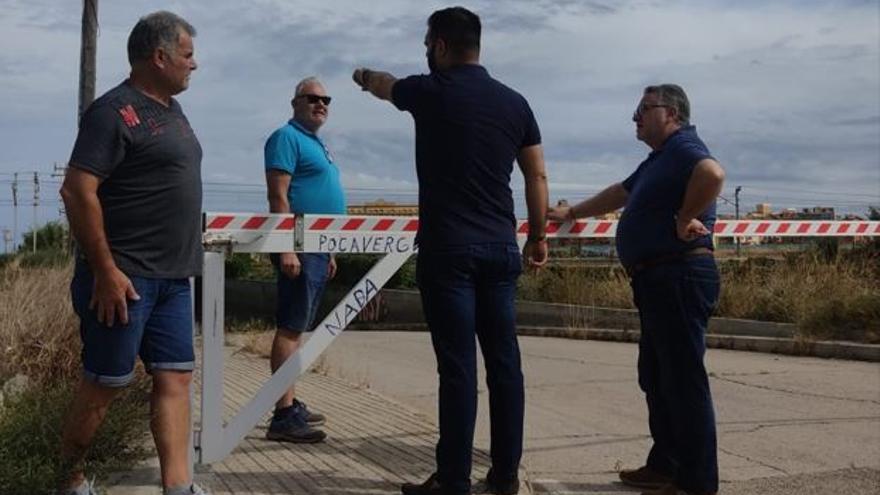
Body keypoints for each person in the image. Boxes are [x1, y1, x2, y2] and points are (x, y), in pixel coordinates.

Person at [352, 7, 549, 495]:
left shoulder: (428, 91)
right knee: (505, 364)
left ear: (439, 45)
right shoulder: (516, 103)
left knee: (458, 367)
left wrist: (362, 75)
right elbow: (536, 175)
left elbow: (385, 84)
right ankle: (504, 477)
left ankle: (454, 480)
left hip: (449, 252)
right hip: (501, 248)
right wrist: (539, 235)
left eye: (428, 43)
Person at [548, 84, 725, 495]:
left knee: (682, 381)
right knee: (657, 377)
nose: (635, 117)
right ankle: (665, 465)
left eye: (644, 109)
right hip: (657, 279)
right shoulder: (657, 161)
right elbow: (619, 193)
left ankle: (696, 483)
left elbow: (712, 174)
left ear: (673, 114)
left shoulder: (684, 147)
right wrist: (572, 212)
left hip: (679, 275)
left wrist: (684, 217)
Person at [58, 11, 206, 495]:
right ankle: (67, 478)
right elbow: (78, 191)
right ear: (159, 56)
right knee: (106, 382)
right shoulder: (113, 112)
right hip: (124, 280)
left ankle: (177, 486)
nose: (194, 64)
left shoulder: (172, 110)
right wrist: (104, 270)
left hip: (173, 279)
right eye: (187, 55)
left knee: (176, 380)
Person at [262, 76, 346, 444]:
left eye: (326, 98)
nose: (321, 103)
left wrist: (328, 249)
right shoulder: (286, 137)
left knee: (299, 330)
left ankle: (290, 401)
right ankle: (282, 414)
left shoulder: (317, 143)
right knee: (291, 328)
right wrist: (286, 247)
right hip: (298, 244)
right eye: (312, 98)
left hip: (316, 246)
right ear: (295, 102)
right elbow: (278, 197)